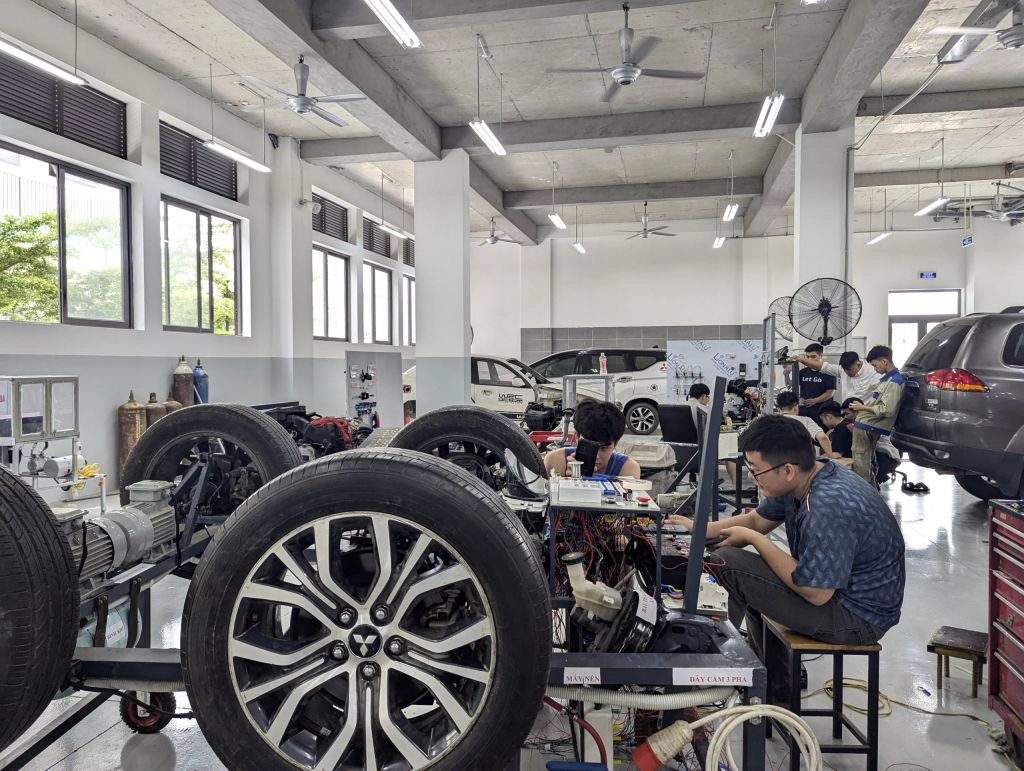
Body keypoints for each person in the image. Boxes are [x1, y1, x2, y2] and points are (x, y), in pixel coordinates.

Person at [669, 415, 905, 701]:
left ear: (788, 470)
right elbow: (757, 520)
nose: (752, 477)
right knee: (744, 575)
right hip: (839, 599)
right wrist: (699, 529)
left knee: (728, 565)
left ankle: (708, 673)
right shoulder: (809, 475)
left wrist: (756, 541)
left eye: (756, 471)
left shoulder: (826, 505)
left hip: (857, 617)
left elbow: (816, 592)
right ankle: (772, 690)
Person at [847, 346, 905, 487]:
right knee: (867, 463)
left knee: (861, 464)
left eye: (875, 364)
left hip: (868, 426)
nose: (874, 368)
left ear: (884, 361)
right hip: (865, 425)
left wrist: (862, 408)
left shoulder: (894, 382)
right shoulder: (887, 380)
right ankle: (871, 492)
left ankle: (863, 495)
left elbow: (887, 409)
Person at [544, 398, 642, 478]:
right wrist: (568, 482)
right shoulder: (556, 461)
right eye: (589, 446)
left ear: (616, 443)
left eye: (603, 448)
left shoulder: (628, 469)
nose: (596, 456)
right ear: (576, 436)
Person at [842, 398, 902, 483]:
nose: (845, 417)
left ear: (858, 411)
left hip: (887, 457)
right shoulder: (861, 422)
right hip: (878, 455)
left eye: (847, 414)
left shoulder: (867, 423)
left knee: (864, 478)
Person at [790, 349, 881, 405]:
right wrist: (801, 360)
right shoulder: (842, 370)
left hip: (863, 415)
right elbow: (822, 367)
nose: (847, 373)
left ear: (858, 364)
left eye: (849, 370)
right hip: (847, 413)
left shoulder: (873, 374)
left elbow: (882, 396)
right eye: (844, 370)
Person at [775, 391, 832, 457]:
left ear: (779, 409)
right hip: (802, 460)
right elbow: (822, 437)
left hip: (777, 459)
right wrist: (831, 455)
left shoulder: (771, 422)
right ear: (795, 407)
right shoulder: (806, 420)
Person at [796, 343, 835, 426]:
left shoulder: (828, 372)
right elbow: (792, 386)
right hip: (804, 411)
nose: (810, 359)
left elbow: (830, 393)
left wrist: (815, 400)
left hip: (821, 412)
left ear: (821, 356)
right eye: (807, 357)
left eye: (813, 357)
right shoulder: (803, 372)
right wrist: (786, 375)